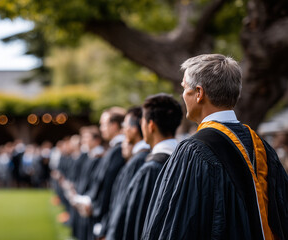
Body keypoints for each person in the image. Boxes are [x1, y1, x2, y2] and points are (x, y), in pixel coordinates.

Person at [142, 54, 288, 240]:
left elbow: (176, 227)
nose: (183, 96)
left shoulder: (193, 151)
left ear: (199, 93)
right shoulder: (263, 148)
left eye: (185, 89)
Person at [120, 94, 182, 240]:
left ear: (151, 125)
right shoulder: (187, 162)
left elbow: (137, 222)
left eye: (142, 122)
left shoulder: (150, 169)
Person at [97, 106, 151, 240]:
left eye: (125, 125)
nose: (124, 130)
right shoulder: (137, 158)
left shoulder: (139, 160)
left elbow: (123, 203)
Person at [75, 107, 126, 240]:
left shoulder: (118, 150)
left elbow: (109, 186)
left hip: (106, 214)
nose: (101, 128)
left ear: (114, 125)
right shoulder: (113, 149)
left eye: (103, 124)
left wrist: (94, 206)